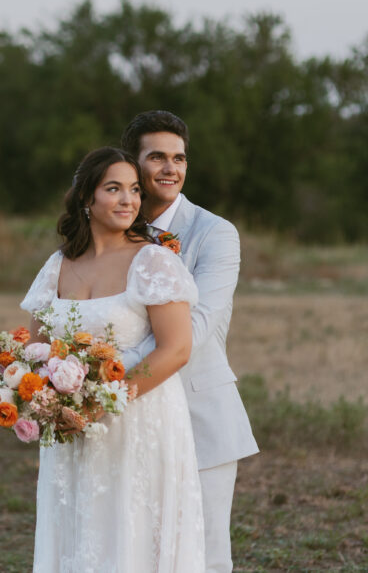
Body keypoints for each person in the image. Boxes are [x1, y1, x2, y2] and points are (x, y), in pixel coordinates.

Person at [23, 147, 205, 572]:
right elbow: (35, 349)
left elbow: (176, 348)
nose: (129, 200)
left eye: (135, 190)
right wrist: (49, 402)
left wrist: (102, 400)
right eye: (114, 189)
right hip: (73, 432)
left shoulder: (153, 260)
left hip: (139, 421)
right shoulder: (57, 266)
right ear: (86, 198)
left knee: (134, 532)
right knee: (77, 531)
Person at [120, 110, 259, 573]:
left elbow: (194, 331)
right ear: (131, 163)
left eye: (179, 157)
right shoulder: (110, 231)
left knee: (202, 555)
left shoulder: (214, 234)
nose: (170, 168)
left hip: (200, 419)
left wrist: (107, 377)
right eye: (156, 156)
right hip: (128, 423)